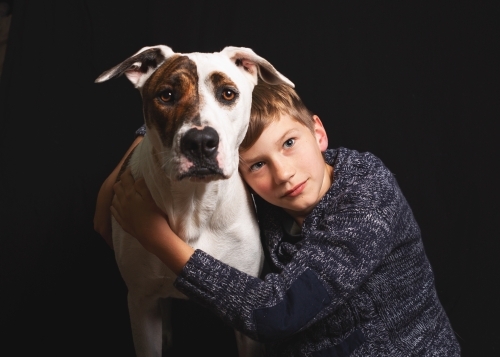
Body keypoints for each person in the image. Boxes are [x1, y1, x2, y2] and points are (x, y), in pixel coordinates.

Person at [96, 81, 461, 356]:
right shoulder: (266, 201)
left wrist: (153, 236)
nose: (284, 174)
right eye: (257, 164)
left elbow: (278, 312)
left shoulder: (367, 195)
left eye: (289, 143)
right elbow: (178, 116)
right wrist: (109, 190)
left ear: (317, 132)